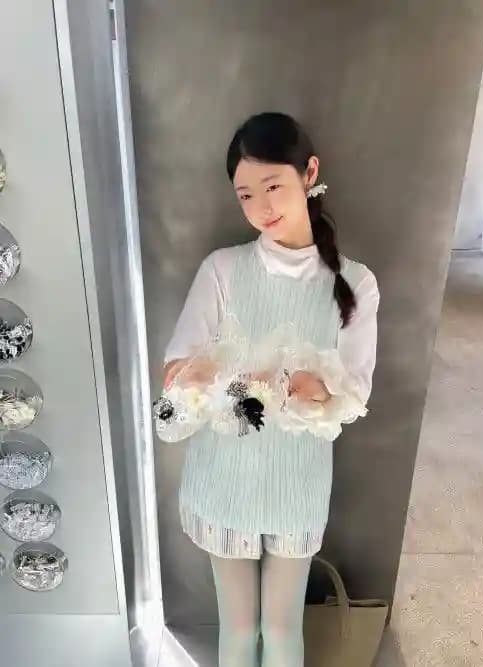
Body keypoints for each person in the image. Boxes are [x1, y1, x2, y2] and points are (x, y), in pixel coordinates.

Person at [161, 112, 380, 667]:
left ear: (310, 174)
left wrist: (307, 390)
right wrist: (260, 382)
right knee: (238, 629)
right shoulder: (223, 269)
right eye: (245, 195)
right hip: (224, 477)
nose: (262, 207)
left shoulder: (354, 283)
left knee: (282, 631)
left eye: (273, 186)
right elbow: (178, 371)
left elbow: (353, 393)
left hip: (296, 481)